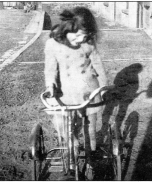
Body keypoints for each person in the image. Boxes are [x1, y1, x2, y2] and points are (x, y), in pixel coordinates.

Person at [44, 7, 108, 162]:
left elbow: (97, 65)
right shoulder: (53, 44)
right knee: (61, 122)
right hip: (63, 90)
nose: (80, 39)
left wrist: (103, 87)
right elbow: (50, 68)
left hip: (87, 90)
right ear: (67, 28)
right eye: (77, 34)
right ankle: (71, 143)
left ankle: (90, 158)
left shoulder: (88, 43)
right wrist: (50, 86)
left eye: (84, 35)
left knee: (89, 128)